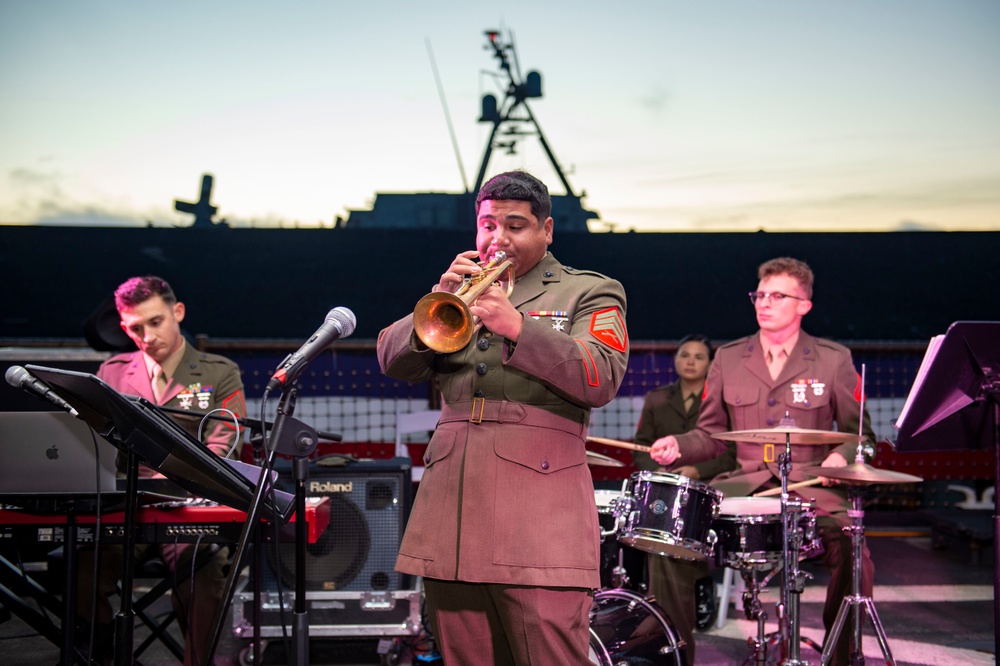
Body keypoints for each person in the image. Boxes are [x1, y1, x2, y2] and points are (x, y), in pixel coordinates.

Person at [377, 170, 630, 664]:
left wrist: (514, 325)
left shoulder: (588, 292)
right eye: (488, 225)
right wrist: (436, 297)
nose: (498, 238)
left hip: (540, 515)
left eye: (515, 225)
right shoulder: (459, 292)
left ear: (547, 230)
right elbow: (393, 361)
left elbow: (601, 377)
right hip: (450, 511)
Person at [650, 257, 876, 665]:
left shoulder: (833, 359)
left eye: (777, 295)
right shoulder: (729, 358)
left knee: (852, 547)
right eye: (760, 294)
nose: (764, 303)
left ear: (804, 304)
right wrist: (677, 445)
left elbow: (861, 434)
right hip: (744, 484)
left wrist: (842, 458)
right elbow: (711, 435)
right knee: (670, 543)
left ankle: (840, 656)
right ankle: (676, 657)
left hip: (812, 487)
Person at [76, 275, 246, 666]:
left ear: (177, 313)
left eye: (156, 322)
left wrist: (182, 478)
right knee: (80, 565)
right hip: (128, 507)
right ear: (123, 328)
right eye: (136, 328)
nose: (148, 335)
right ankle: (105, 656)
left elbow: (226, 442)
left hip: (190, 506)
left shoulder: (219, 372)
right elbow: (92, 447)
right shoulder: (112, 374)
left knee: (202, 574)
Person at [632, 333, 716, 665]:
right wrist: (660, 472)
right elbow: (641, 449)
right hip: (665, 494)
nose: (691, 361)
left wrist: (696, 470)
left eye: (699, 356)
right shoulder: (656, 399)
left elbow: (731, 453)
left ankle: (700, 584)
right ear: (676, 360)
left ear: (710, 364)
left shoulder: (718, 401)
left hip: (708, 491)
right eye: (685, 355)